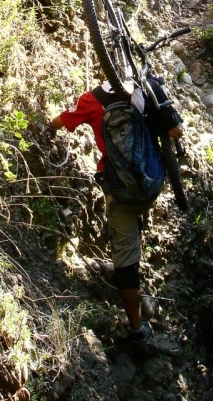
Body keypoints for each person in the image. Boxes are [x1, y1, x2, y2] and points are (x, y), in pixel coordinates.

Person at [50, 76, 183, 350]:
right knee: (137, 210)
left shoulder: (91, 99)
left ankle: (136, 331)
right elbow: (175, 133)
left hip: (121, 194)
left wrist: (48, 124)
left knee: (126, 264)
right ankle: (138, 235)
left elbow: (62, 121)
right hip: (153, 184)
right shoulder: (148, 88)